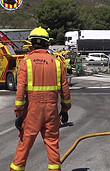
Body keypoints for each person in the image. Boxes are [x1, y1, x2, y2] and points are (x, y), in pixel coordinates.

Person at [10, 27, 71, 171]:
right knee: (52, 145)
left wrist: (18, 113)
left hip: (32, 110)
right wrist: (65, 109)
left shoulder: (26, 62)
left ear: (31, 43)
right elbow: (65, 89)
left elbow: (20, 91)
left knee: (24, 146)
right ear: (47, 44)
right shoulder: (57, 63)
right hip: (51, 110)